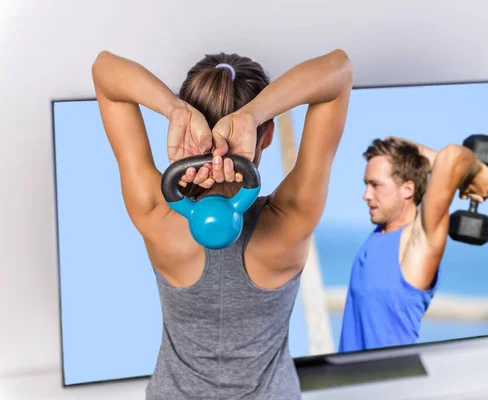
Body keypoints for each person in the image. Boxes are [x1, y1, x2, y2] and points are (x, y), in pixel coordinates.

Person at [91, 48, 352, 399]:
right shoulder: (293, 216)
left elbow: (104, 71)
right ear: (268, 134)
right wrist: (253, 115)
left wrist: (175, 110)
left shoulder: (157, 213)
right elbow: (339, 71)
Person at [338, 137, 488, 352]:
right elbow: (391, 141)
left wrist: (478, 173)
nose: (366, 195)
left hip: (388, 381)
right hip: (348, 382)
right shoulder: (381, 233)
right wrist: (463, 178)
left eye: (375, 185)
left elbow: (452, 157)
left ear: (408, 189)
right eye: (366, 184)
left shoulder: (419, 240)